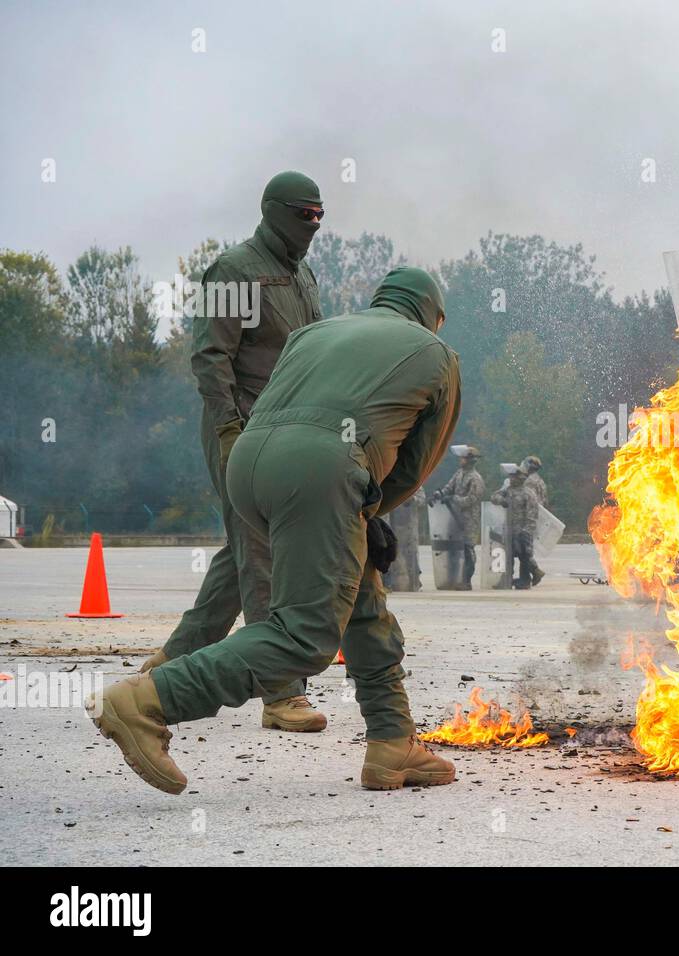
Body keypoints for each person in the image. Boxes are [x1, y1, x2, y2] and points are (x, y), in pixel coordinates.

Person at [88, 267, 462, 794]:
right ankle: (146, 702)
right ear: (432, 315)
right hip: (321, 466)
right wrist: (372, 503)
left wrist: (356, 506)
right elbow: (416, 464)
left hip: (249, 462)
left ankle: (391, 742)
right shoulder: (435, 353)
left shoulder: (316, 332)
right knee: (304, 633)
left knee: (360, 600)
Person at [140, 171, 326, 733]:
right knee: (263, 555)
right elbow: (209, 359)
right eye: (303, 213)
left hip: (289, 432)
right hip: (243, 430)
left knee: (242, 552)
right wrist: (228, 433)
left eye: (320, 215)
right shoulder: (234, 271)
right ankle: (281, 692)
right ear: (273, 211)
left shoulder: (302, 276)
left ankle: (173, 662)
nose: (312, 224)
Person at [434, 445, 485, 590]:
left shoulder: (475, 479)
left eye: (463, 458)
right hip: (454, 517)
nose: (460, 460)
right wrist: (440, 494)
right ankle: (453, 579)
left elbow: (471, 499)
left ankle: (466, 581)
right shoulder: (459, 473)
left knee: (467, 549)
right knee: (453, 549)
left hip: (469, 520)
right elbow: (449, 487)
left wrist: (453, 498)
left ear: (469, 460)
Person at [491, 464, 543, 588]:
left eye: (514, 477)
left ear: (521, 478)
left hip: (522, 531)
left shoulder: (528, 494)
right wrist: (501, 500)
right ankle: (506, 580)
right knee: (508, 557)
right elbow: (493, 497)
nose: (511, 479)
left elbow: (532, 516)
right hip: (509, 530)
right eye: (510, 476)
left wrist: (526, 532)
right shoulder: (508, 490)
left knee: (524, 556)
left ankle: (526, 580)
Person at [382, 487, 426, 592]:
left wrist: (412, 499)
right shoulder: (394, 482)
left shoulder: (415, 484)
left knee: (411, 554)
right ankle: (392, 582)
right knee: (393, 554)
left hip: (409, 527)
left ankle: (414, 580)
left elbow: (422, 500)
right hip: (394, 526)